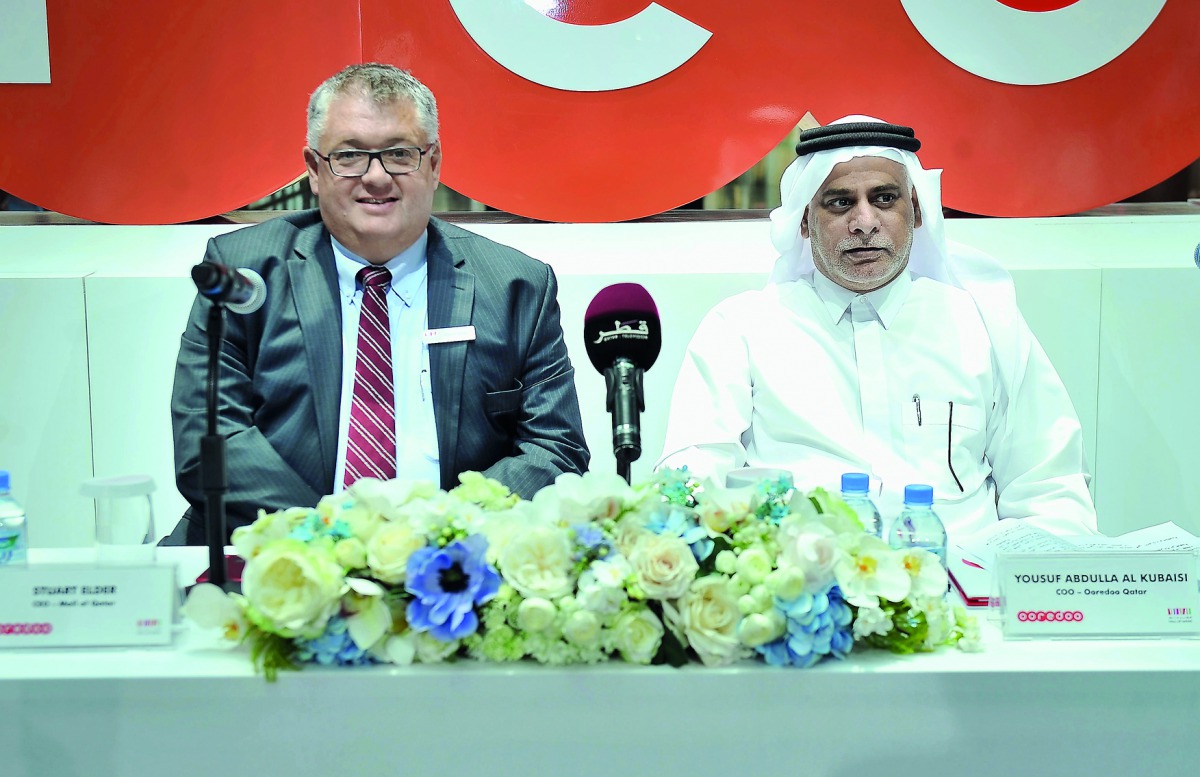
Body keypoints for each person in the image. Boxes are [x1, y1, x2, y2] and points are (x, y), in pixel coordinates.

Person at [168, 63, 588, 544]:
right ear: (313, 169)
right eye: (348, 156)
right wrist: (341, 540)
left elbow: (555, 451)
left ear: (433, 165)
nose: (376, 177)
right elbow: (210, 445)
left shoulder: (515, 285)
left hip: (452, 561)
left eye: (399, 154)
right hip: (277, 552)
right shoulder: (245, 273)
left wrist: (434, 535)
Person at [656, 116, 1097, 539]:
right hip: (806, 598)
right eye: (840, 202)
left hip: (965, 593)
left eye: (884, 199)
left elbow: (1050, 489)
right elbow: (692, 478)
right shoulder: (741, 330)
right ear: (804, 222)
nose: (864, 222)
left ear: (917, 212)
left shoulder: (983, 324)